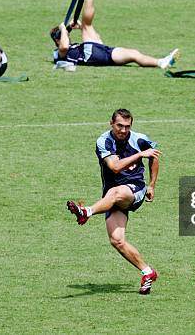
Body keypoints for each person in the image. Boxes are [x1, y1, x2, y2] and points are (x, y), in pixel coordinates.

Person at [66, 109, 162, 294]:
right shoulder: (104, 141)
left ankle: (86, 212)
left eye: (127, 126)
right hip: (111, 198)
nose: (123, 130)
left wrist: (151, 185)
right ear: (111, 123)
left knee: (116, 191)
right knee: (117, 240)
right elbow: (115, 167)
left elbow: (154, 156)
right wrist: (140, 155)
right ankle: (148, 272)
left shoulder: (139, 139)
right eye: (120, 126)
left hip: (134, 189)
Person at [51, 0, 179, 69]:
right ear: (57, 39)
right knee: (87, 25)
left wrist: (74, 28)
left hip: (102, 52)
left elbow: (73, 42)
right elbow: (63, 47)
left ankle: (161, 62)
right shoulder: (60, 52)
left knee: (134, 54)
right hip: (92, 54)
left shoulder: (72, 47)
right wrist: (63, 29)